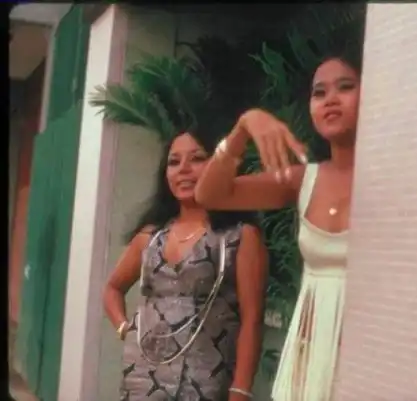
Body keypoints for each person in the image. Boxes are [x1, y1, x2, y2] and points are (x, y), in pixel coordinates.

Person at [194, 52, 362, 401]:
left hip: (372, 351)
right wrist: (243, 128)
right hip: (310, 358)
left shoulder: (395, 175)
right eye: (319, 92)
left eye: (345, 87)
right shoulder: (304, 180)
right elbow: (210, 194)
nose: (330, 99)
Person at [103, 129, 268, 401]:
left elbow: (253, 319)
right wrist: (125, 329)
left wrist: (240, 389)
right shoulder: (150, 237)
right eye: (174, 162)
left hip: (205, 381)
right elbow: (112, 288)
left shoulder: (239, 236)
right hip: (142, 379)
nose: (183, 170)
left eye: (197, 159)